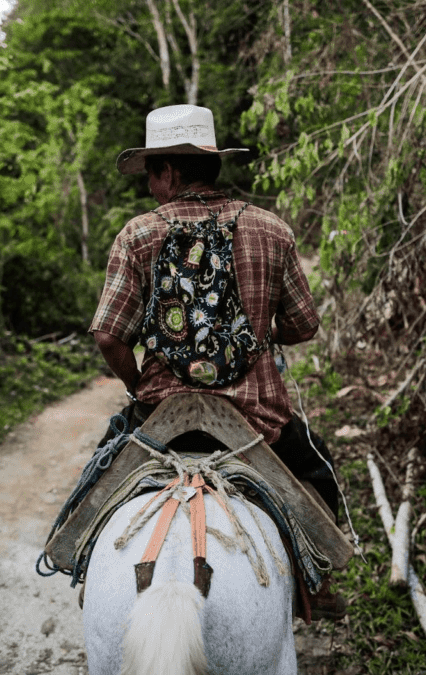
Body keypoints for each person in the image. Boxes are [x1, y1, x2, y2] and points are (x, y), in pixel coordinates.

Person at [89, 104, 340, 521]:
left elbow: (108, 337)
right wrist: (260, 334)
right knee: (320, 470)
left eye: (151, 174)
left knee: (93, 491)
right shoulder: (272, 229)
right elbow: (304, 324)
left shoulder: (138, 233)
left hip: (163, 417)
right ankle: (323, 580)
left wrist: (138, 388)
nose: (151, 187)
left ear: (168, 172)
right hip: (257, 420)